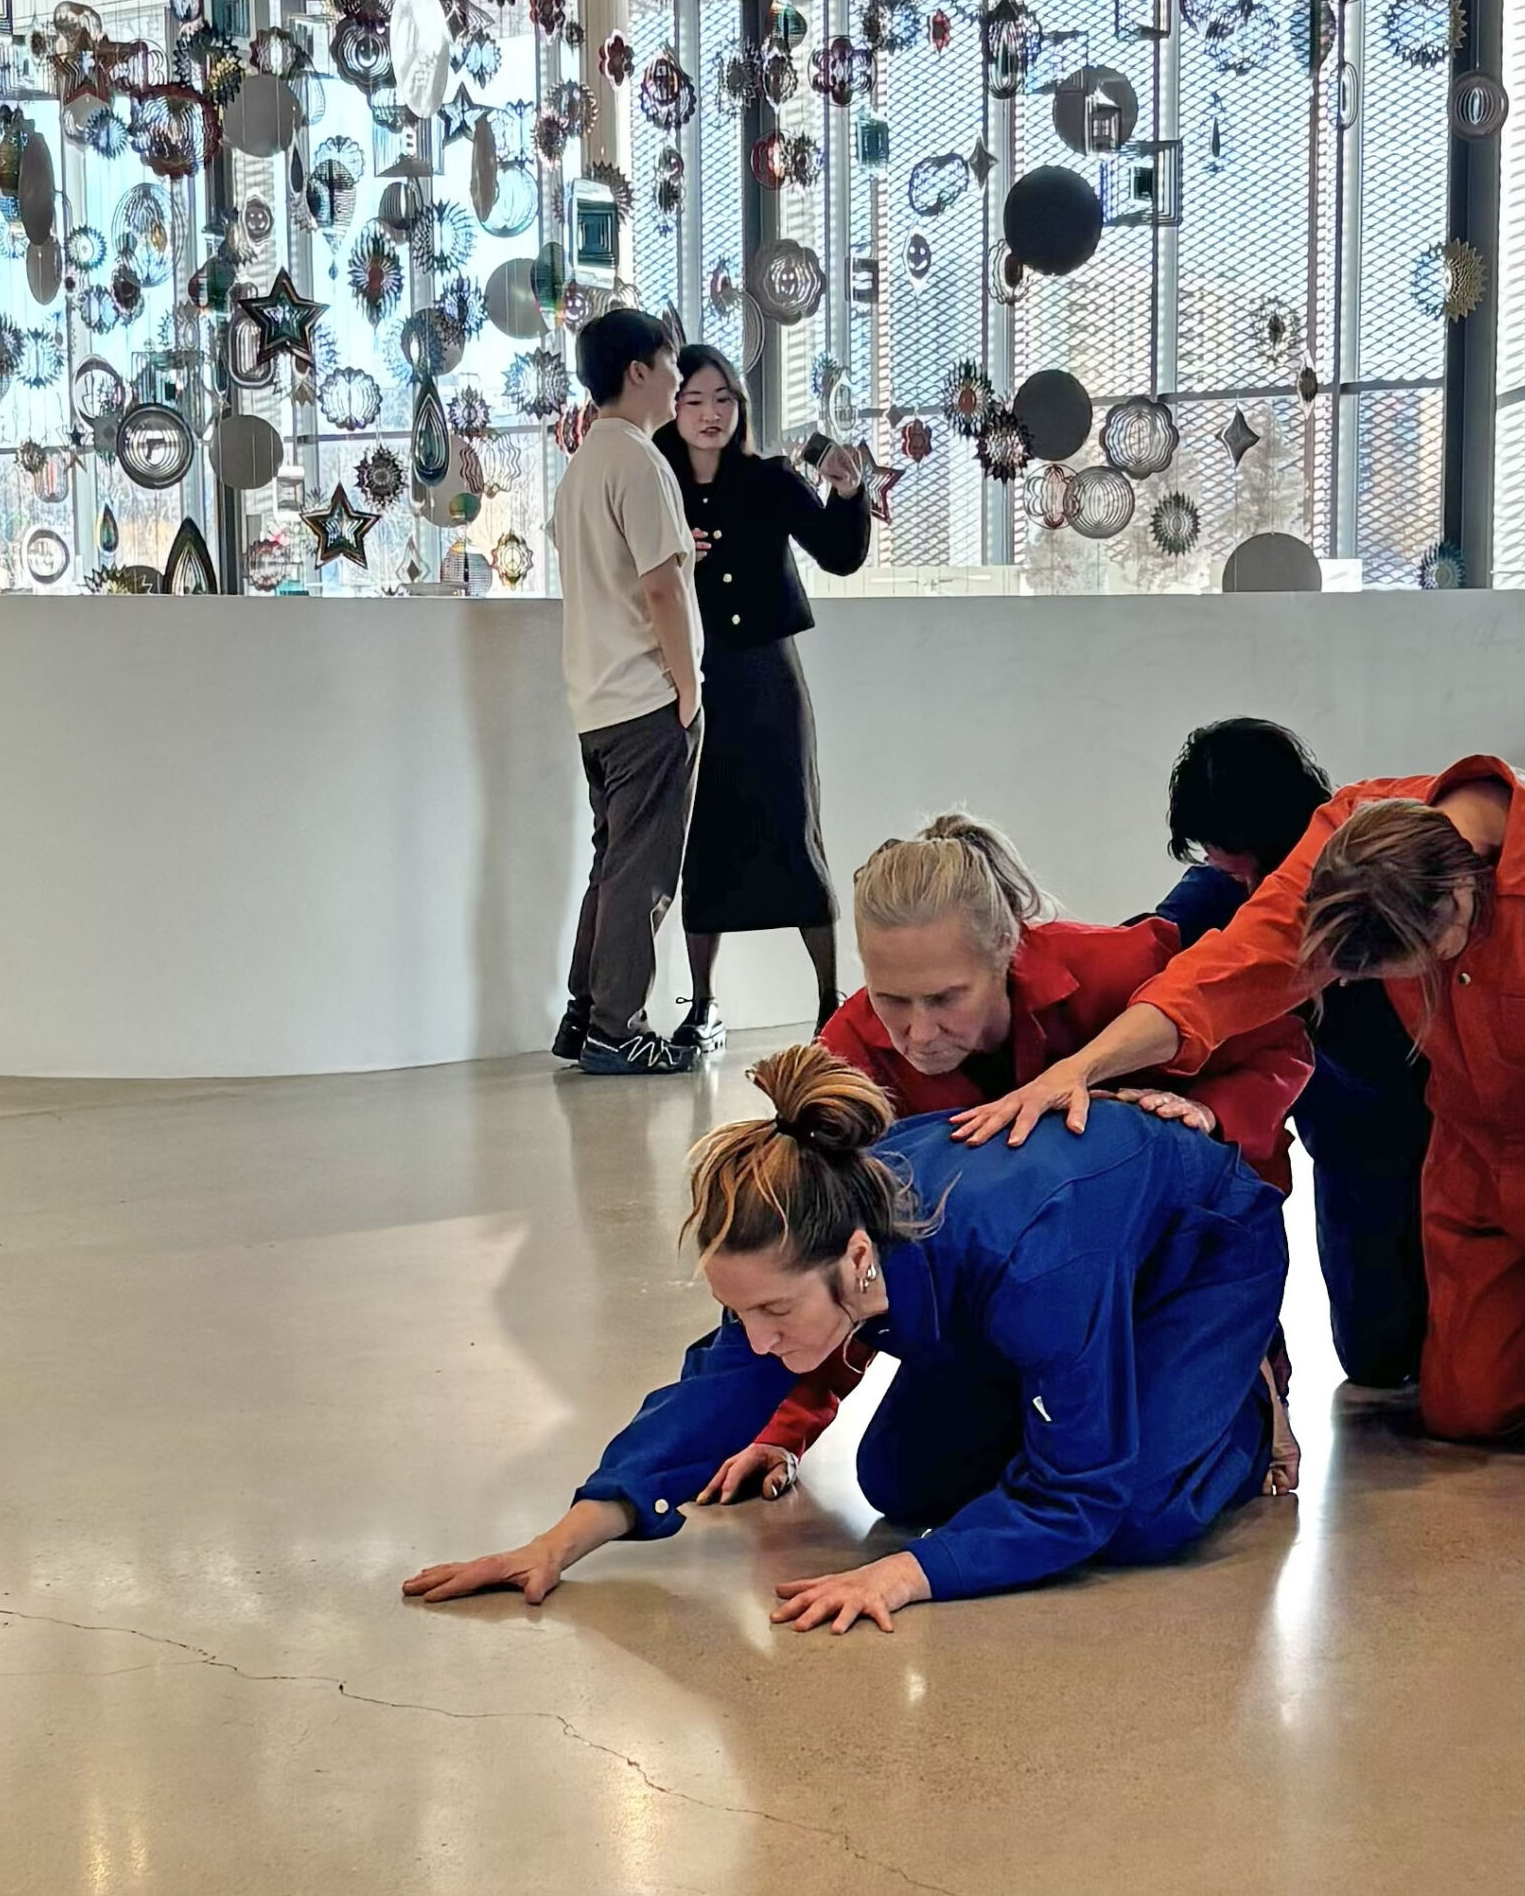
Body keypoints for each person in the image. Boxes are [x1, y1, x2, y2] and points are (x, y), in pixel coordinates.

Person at [961, 757, 1525, 1487]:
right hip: (1490, 1138)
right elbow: (1235, 966)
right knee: (1465, 1410)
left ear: (1461, 897)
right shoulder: (1359, 839)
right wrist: (1080, 1068)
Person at [403, 1045, 1290, 1632]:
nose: (757, 1338)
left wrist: (904, 1576)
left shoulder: (1033, 1266)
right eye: (742, 1312)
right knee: (902, 1480)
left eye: (775, 1315)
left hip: (1195, 1253)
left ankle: (1242, 1412)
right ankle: (1089, 1394)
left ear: (859, 1261)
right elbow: (714, 1393)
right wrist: (556, 1542)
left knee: (1131, 1512)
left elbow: (1079, 1496)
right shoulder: (814, 1222)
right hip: (1053, 1276)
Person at [702, 812, 1313, 1496]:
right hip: (1007, 1299)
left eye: (944, 998)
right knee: (903, 1482)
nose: (915, 1031)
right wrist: (782, 1429)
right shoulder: (852, 1055)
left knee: (1141, 1500)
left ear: (1004, 951)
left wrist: (1213, 1114)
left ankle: (1248, 1399)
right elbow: (827, 1257)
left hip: (1164, 1269)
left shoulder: (1120, 968)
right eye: (890, 999)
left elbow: (1278, 1050)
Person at [1151, 719, 1432, 1388]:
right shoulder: (1220, 890)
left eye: (1225, 848)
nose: (1218, 863)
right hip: (1350, 1148)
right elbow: (1143, 949)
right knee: (1378, 1356)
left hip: (1443, 1133)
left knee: (1471, 1357)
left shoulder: (1367, 873)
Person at [652, 345, 870, 1052]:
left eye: (724, 399)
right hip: (692, 677)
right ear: (671, 408)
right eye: (693, 400)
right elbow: (620, 565)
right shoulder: (654, 481)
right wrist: (677, 553)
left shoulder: (770, 479)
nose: (711, 414)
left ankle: (828, 1004)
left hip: (770, 683)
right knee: (704, 840)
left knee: (795, 833)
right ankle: (704, 1004)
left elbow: (839, 553)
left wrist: (845, 491)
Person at [547, 308, 704, 1076]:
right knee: (643, 870)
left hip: (596, 702)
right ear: (638, 371)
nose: (679, 382)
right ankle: (617, 1027)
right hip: (644, 698)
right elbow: (661, 588)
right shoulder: (640, 463)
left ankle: (585, 1014)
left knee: (612, 864)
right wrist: (687, 688)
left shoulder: (583, 466)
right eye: (670, 365)